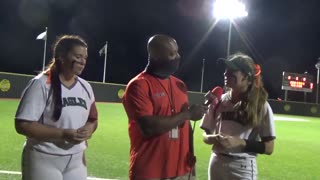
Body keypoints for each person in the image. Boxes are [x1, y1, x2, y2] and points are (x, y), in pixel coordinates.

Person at [122, 34, 208, 180]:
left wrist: (191, 158)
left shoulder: (179, 84)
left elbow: (186, 128)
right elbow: (148, 127)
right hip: (151, 172)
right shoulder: (139, 85)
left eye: (177, 52)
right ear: (155, 56)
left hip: (182, 170)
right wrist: (187, 114)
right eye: (172, 54)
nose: (177, 57)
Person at [15, 35, 98, 180]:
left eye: (85, 57)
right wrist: (63, 134)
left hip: (76, 160)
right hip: (43, 157)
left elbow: (93, 119)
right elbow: (23, 125)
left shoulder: (86, 86)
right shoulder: (40, 84)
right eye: (78, 56)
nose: (83, 61)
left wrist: (89, 129)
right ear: (61, 56)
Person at [200, 53, 276, 180]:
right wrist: (215, 138)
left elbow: (269, 148)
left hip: (243, 166)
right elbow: (205, 137)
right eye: (226, 70)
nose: (225, 74)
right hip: (216, 162)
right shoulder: (218, 101)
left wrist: (240, 142)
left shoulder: (260, 105)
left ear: (247, 77)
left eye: (232, 71)